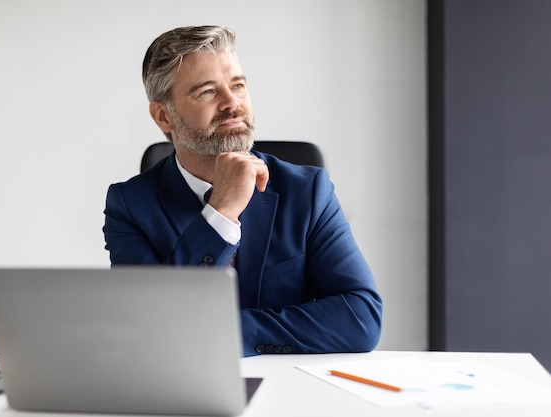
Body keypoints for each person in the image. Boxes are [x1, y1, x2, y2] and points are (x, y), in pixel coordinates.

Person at [103, 25, 382, 356]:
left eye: (238, 85)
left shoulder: (307, 191)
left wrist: (223, 334)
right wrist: (220, 212)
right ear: (164, 116)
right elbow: (150, 327)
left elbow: (361, 319)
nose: (232, 103)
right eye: (207, 91)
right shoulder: (130, 205)